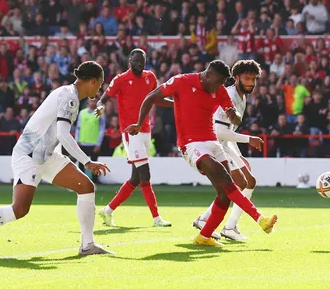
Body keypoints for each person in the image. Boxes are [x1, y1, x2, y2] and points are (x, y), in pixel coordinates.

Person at [0, 61, 112, 257]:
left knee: (86, 186)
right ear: (93, 81)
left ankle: (87, 245)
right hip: (28, 155)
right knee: (19, 210)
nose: (100, 87)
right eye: (100, 83)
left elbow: (54, 132)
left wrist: (63, 160)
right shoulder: (69, 98)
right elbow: (63, 134)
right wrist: (87, 161)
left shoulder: (68, 94)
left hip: (45, 155)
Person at [125, 60, 278, 247]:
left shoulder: (220, 89)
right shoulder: (181, 81)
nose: (221, 87)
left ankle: (204, 236)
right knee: (227, 181)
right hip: (191, 144)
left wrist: (233, 115)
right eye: (219, 82)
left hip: (213, 142)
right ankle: (260, 219)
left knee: (223, 194)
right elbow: (151, 97)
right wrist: (140, 123)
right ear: (208, 75)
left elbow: (234, 117)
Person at [95, 49, 171, 227]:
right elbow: (103, 99)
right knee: (145, 174)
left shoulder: (150, 77)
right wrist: (100, 107)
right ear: (130, 60)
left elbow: (155, 99)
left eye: (142, 61)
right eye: (136, 61)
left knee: (135, 179)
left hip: (146, 130)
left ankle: (107, 211)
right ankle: (156, 218)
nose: (139, 64)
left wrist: (176, 105)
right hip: (131, 132)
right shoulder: (121, 79)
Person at [193, 60, 264, 241]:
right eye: (247, 78)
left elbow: (229, 132)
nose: (251, 83)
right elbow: (220, 131)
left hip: (226, 144)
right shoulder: (230, 95)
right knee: (241, 182)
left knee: (249, 181)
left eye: (254, 79)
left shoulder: (241, 96)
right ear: (237, 77)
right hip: (216, 143)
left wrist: (238, 155)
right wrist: (249, 139)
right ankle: (227, 226)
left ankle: (219, 223)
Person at [75, 98, 106, 182]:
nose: (92, 102)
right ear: (88, 102)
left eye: (94, 101)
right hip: (82, 142)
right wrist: (77, 140)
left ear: (96, 103)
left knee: (94, 163)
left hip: (93, 143)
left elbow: (102, 129)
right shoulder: (82, 113)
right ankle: (82, 180)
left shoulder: (100, 114)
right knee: (81, 163)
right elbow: (78, 127)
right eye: (91, 101)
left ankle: (95, 181)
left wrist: (98, 144)